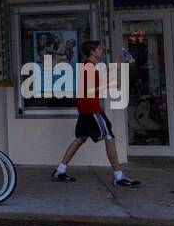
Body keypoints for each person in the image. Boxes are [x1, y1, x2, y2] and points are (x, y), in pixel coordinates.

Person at [53, 40, 140, 187]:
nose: (101, 50)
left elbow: (96, 84)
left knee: (80, 138)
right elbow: (94, 89)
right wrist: (112, 83)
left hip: (86, 108)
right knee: (109, 137)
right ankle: (118, 176)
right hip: (91, 108)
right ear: (92, 51)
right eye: (99, 48)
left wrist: (116, 68)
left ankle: (60, 170)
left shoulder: (88, 66)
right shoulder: (88, 66)